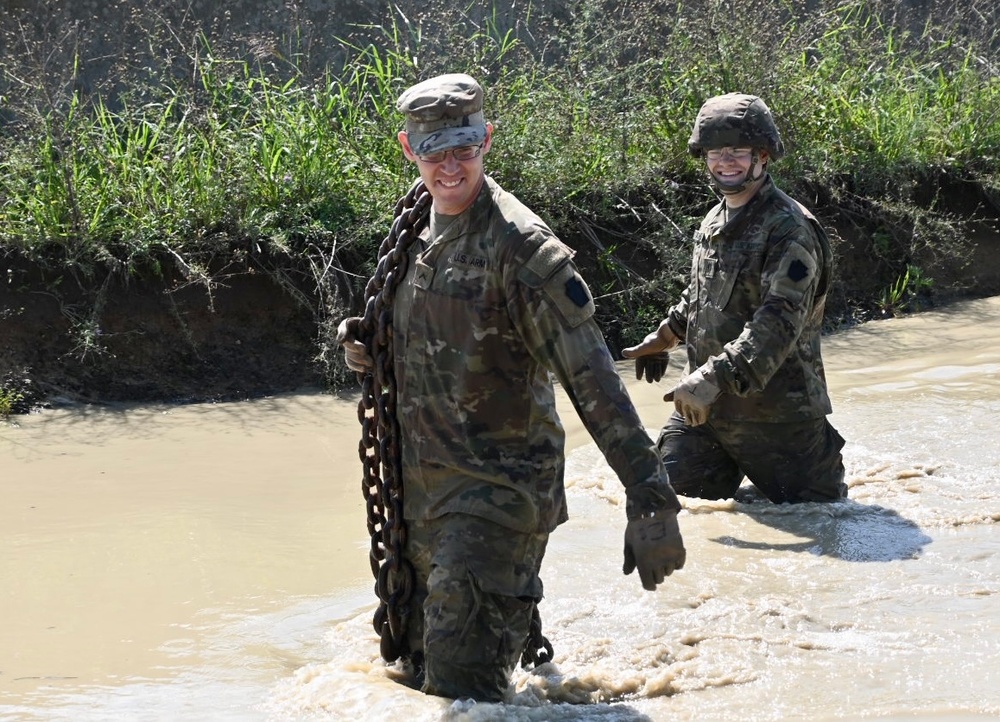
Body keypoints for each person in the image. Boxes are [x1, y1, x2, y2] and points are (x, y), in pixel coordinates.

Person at [336, 73, 686, 702]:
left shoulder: (522, 250)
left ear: (487, 140)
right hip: (422, 499)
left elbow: (593, 377)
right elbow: (421, 334)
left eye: (463, 149)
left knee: (462, 695)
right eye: (434, 151)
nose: (449, 166)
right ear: (406, 148)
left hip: (497, 495)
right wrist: (367, 342)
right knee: (415, 682)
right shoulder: (417, 228)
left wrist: (650, 494)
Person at [623, 92, 847, 504]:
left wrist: (712, 377)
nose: (725, 161)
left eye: (738, 152)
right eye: (715, 152)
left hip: (780, 419)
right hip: (707, 415)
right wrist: (669, 332)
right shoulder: (715, 218)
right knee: (662, 505)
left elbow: (777, 323)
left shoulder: (790, 228)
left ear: (763, 156)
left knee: (819, 522)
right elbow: (705, 291)